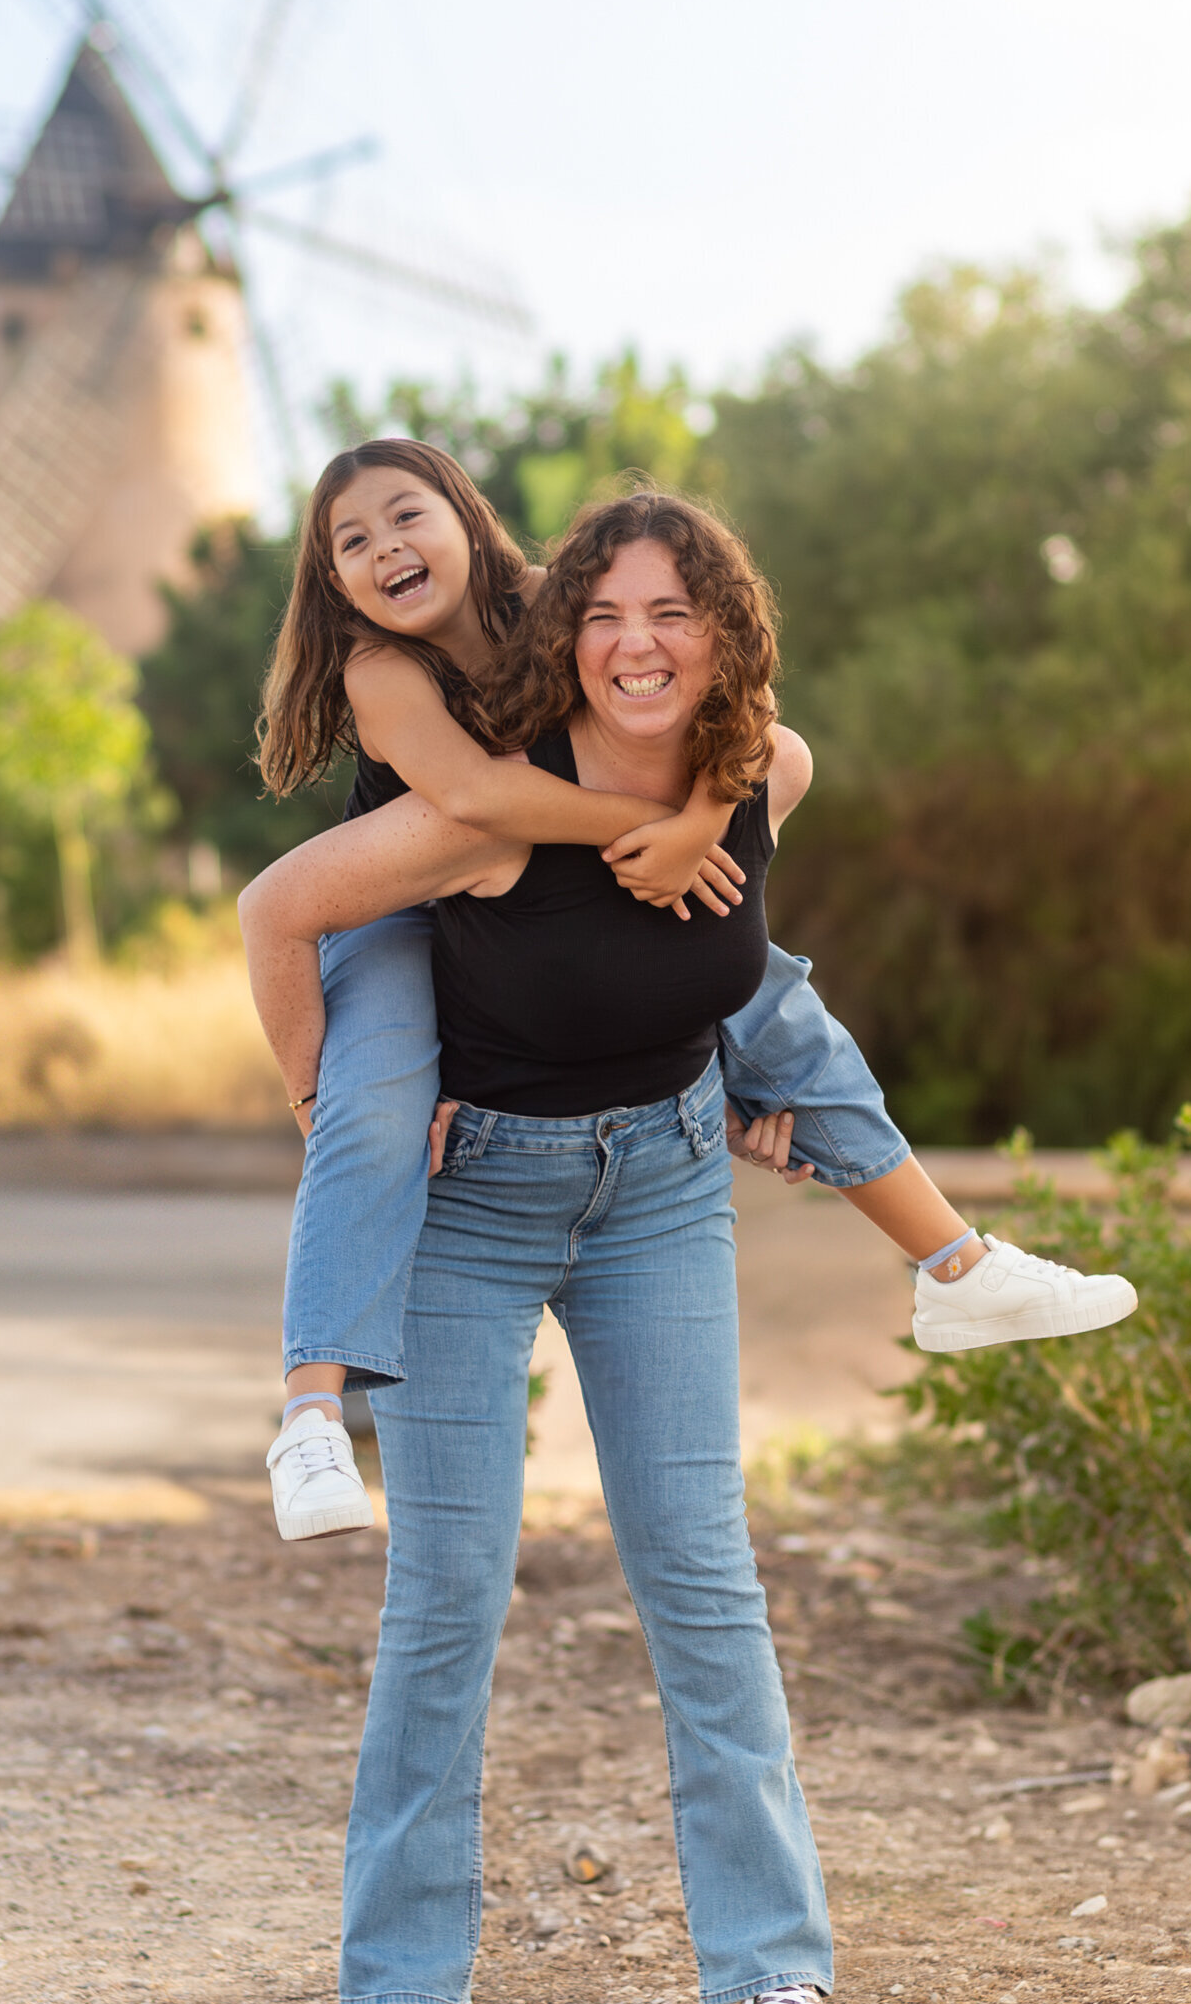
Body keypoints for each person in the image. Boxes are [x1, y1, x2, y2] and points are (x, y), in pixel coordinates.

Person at [238, 438, 1137, 1543]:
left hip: (550, 897)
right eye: (352, 542)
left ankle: (953, 1262)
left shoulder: (561, 604)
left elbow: (747, 729)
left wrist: (707, 825)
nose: (385, 549)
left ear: (466, 516)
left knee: (775, 1002)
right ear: (332, 583)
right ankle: (313, 1407)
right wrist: (309, 1101)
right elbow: (475, 795)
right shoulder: (382, 667)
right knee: (367, 1111)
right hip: (402, 908)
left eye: (403, 515)